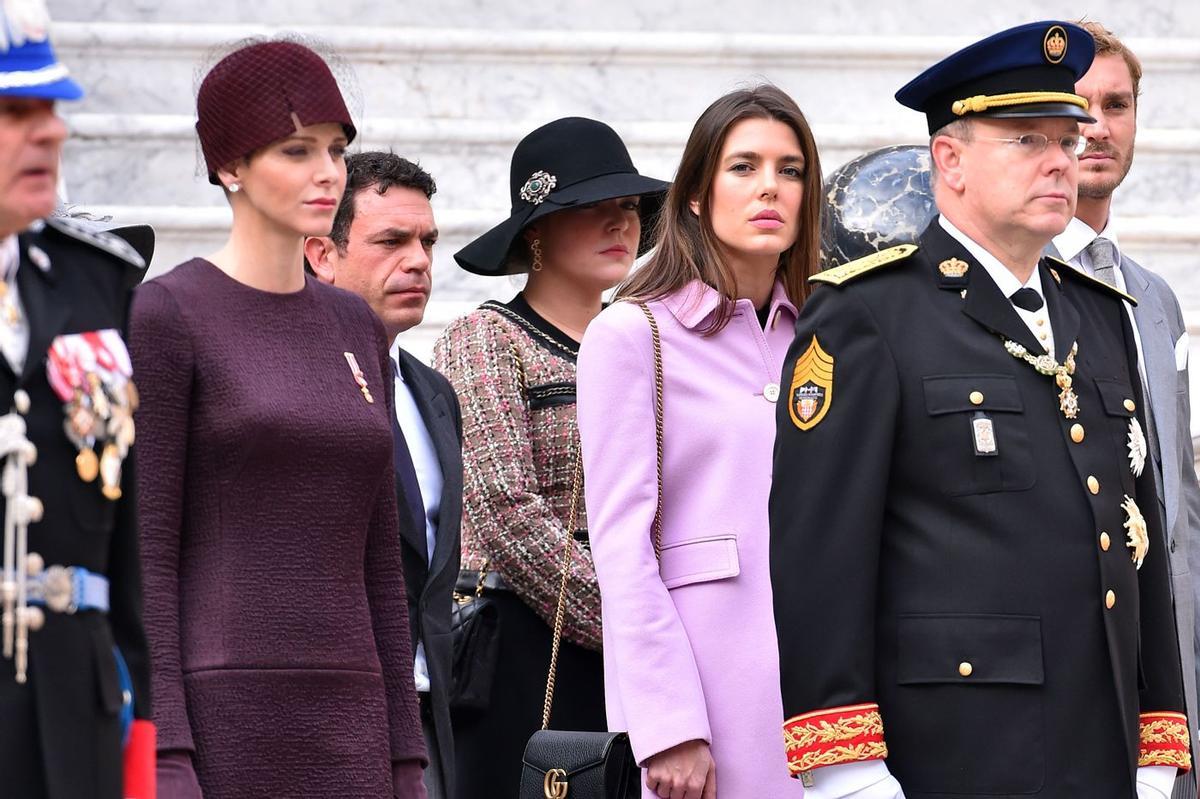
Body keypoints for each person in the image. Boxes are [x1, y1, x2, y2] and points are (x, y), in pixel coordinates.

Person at [770, 21, 1190, 799]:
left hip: (1099, 754)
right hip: (953, 758)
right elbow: (820, 555)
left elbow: (1141, 534)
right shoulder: (868, 315)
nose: (1062, 159)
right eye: (1028, 139)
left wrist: (1160, 739)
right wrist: (850, 771)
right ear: (949, 159)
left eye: (1067, 139)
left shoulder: (1098, 312)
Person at [129, 39, 427, 798]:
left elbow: (381, 566)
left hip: (353, 722)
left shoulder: (353, 324)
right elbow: (148, 553)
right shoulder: (169, 312)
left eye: (336, 148)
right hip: (225, 723)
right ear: (229, 165)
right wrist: (166, 754)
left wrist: (405, 758)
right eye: (297, 149)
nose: (328, 172)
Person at [576, 84, 821, 799]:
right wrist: (670, 724)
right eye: (744, 166)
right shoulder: (633, 334)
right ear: (693, 193)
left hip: (828, 699)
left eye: (791, 168)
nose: (770, 187)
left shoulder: (825, 337)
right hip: (707, 700)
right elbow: (621, 547)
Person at [433, 116, 668, 797]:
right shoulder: (484, 340)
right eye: (590, 208)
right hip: (530, 646)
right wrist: (639, 623)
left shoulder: (652, 339)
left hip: (647, 642)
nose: (619, 223)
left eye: (628, 206)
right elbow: (506, 514)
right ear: (536, 230)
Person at [0, 3, 155, 797]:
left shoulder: (96, 280)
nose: (50, 132)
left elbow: (123, 545)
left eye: (52, 109)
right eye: (14, 112)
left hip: (75, 715)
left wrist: (143, 738)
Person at [1048, 22, 1200, 799]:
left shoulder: (1158, 298)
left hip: (1164, 693)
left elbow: (1179, 511)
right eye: (1079, 107)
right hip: (1059, 682)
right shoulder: (1003, 288)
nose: (1099, 127)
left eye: (1118, 104)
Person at [305, 152, 462, 799]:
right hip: (323, 727)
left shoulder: (432, 392)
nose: (420, 260)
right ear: (323, 254)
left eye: (427, 240)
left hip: (428, 726)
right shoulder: (290, 385)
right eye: (392, 240)